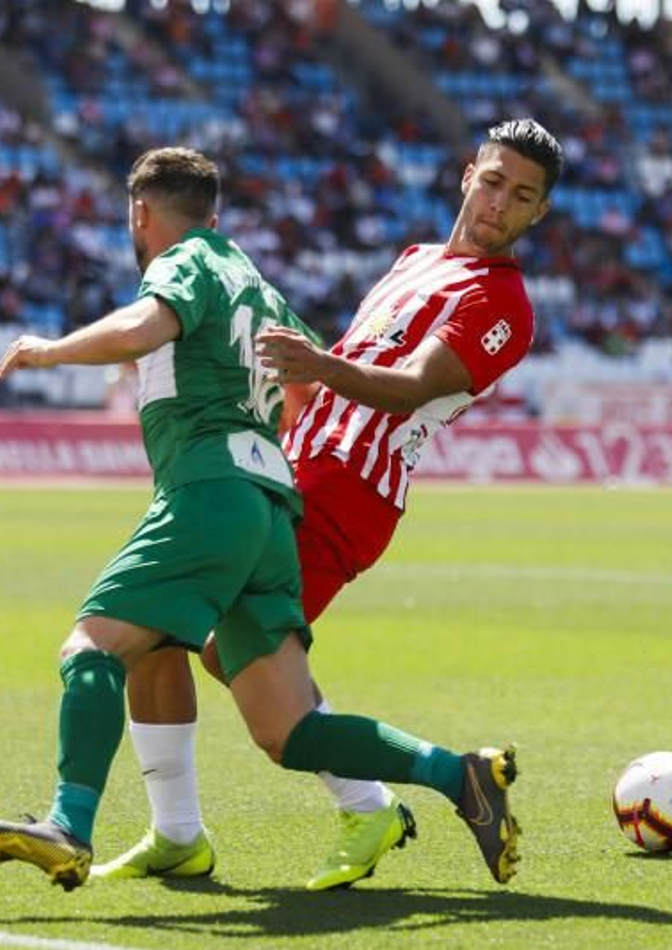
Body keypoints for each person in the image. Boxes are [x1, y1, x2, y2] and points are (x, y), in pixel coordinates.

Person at [0, 146, 520, 892]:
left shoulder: (183, 258)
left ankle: (69, 824)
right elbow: (303, 391)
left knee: (92, 646)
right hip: (272, 496)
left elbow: (144, 328)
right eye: (493, 182)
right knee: (275, 718)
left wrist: (48, 351)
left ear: (140, 214)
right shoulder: (257, 278)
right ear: (217, 215)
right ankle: (455, 776)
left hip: (244, 486)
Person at [95, 118, 562, 892]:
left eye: (522, 196)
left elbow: (412, 385)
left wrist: (317, 364)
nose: (499, 203)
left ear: (538, 213)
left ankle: (400, 794)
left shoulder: (500, 302)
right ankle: (191, 829)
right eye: (493, 181)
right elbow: (339, 368)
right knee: (178, 634)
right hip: (296, 468)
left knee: (223, 662)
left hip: (350, 490)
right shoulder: (415, 260)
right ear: (466, 174)